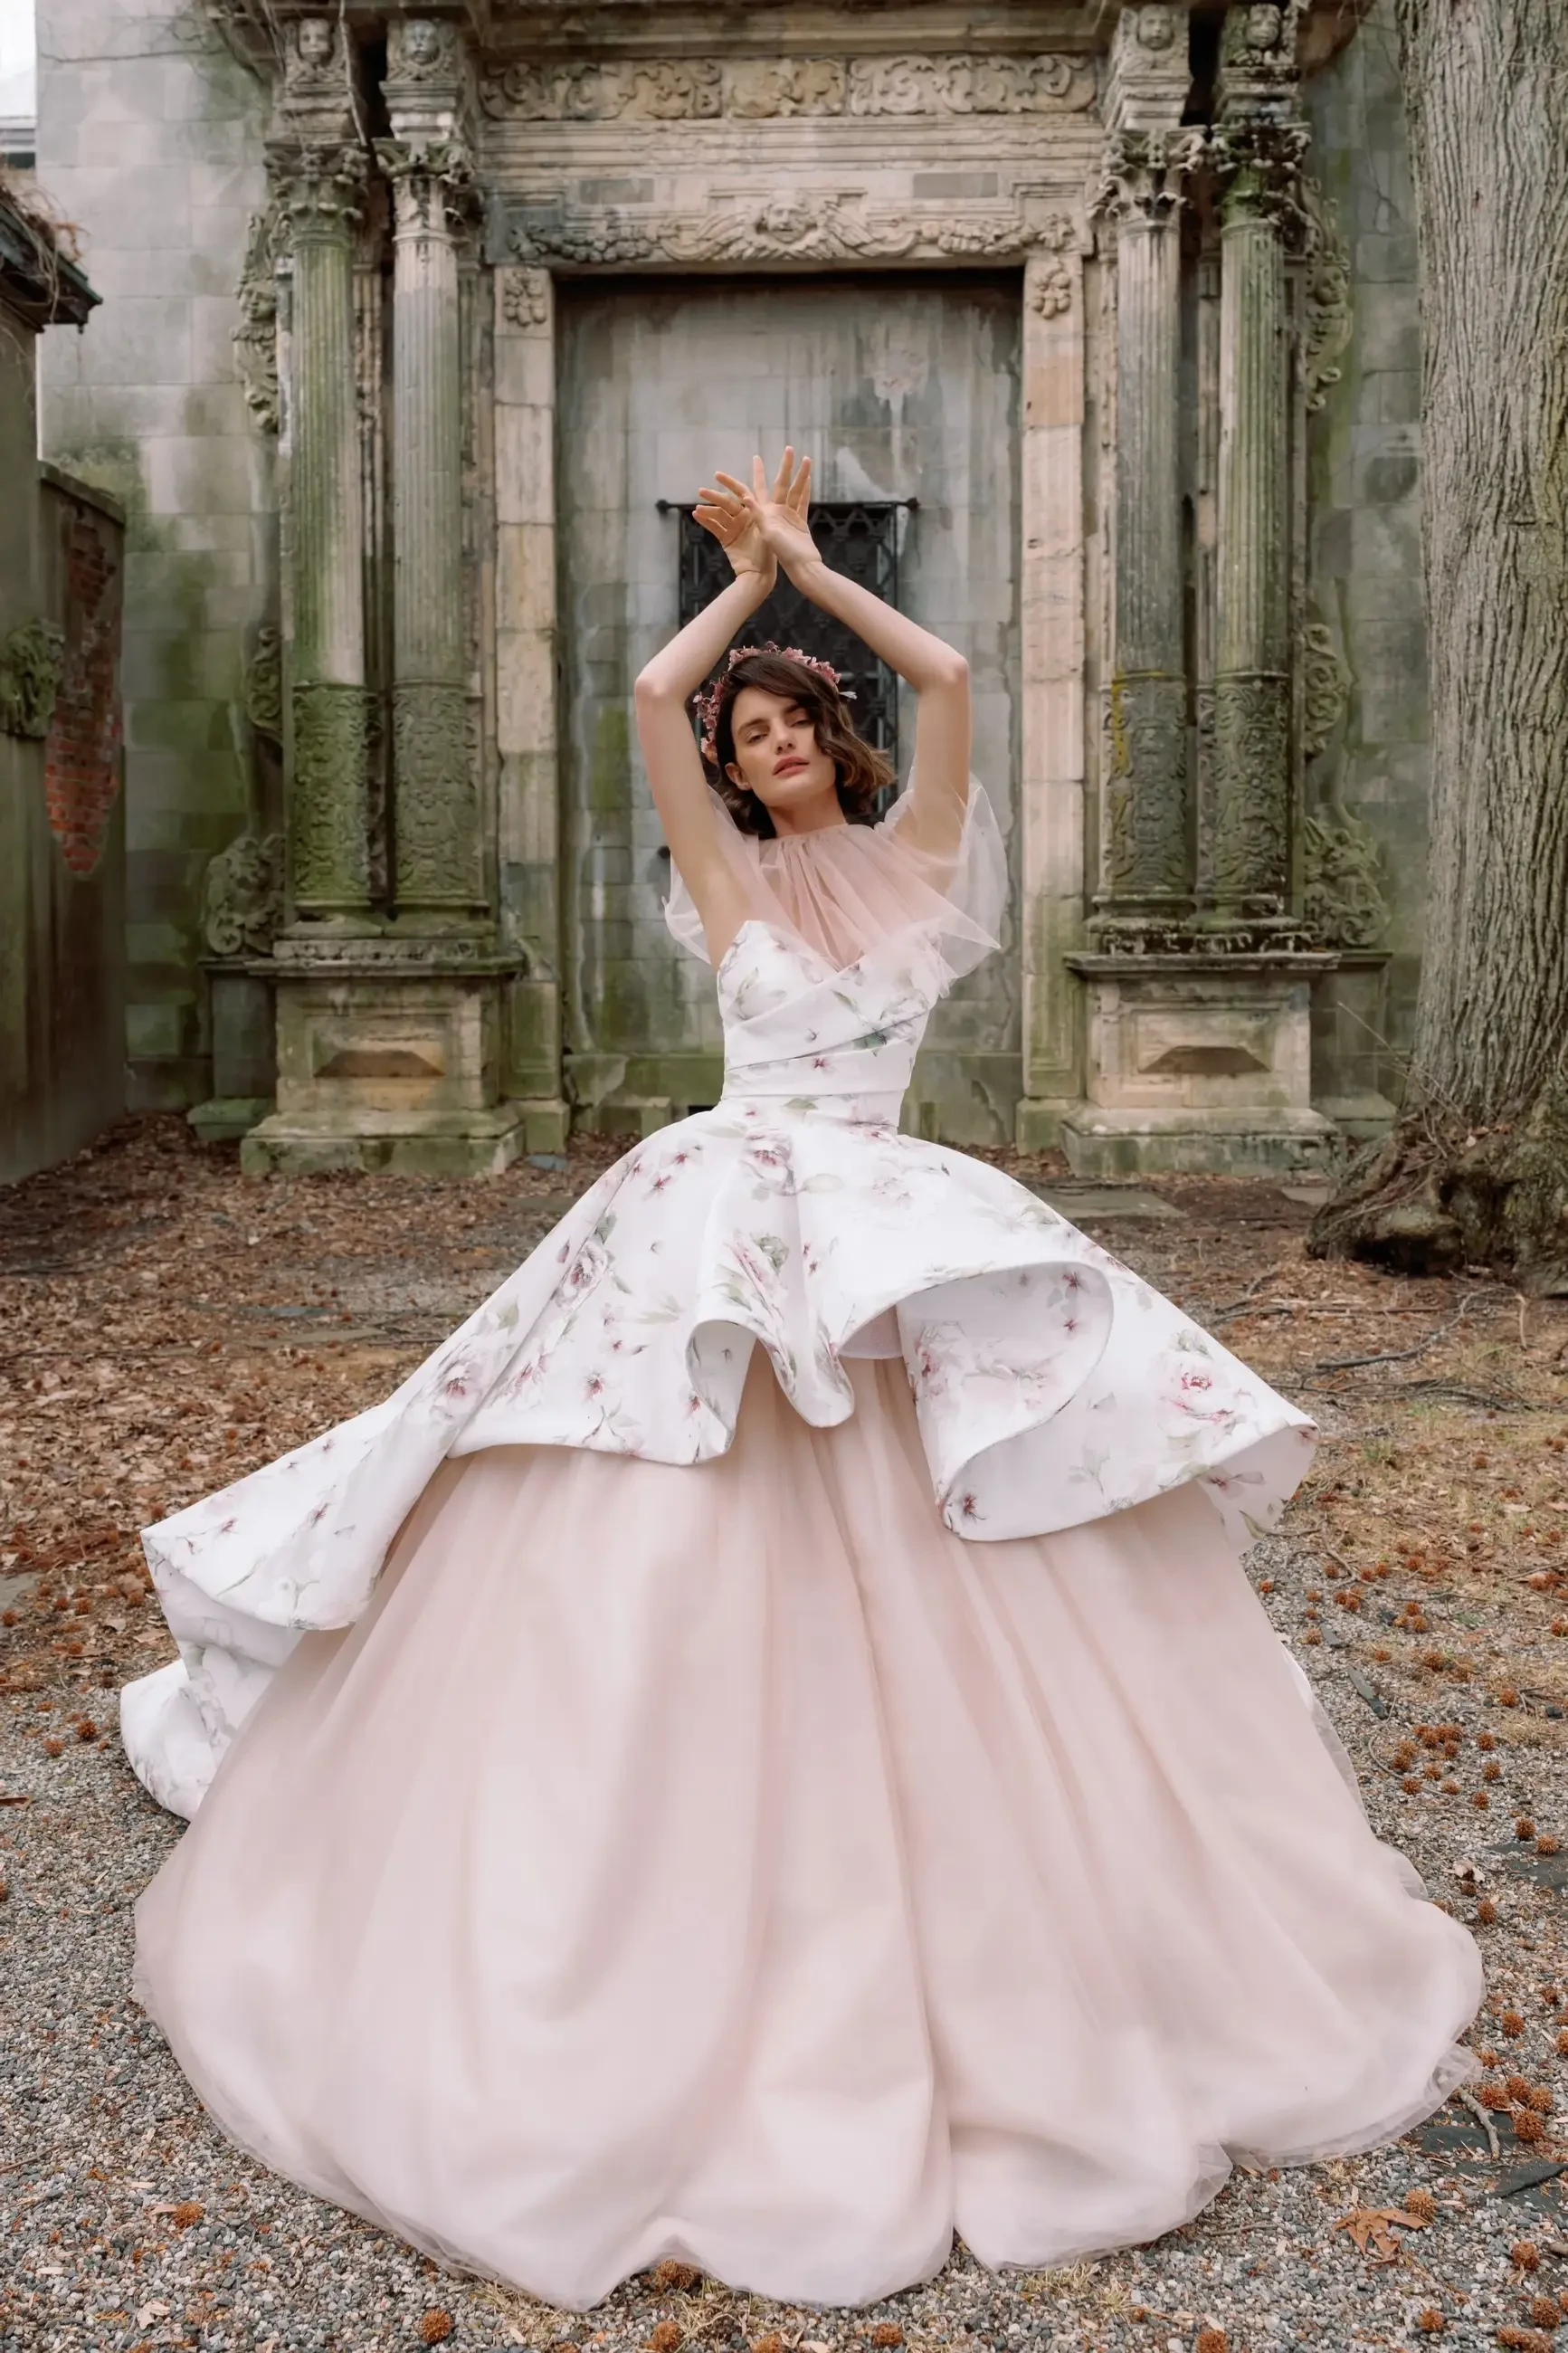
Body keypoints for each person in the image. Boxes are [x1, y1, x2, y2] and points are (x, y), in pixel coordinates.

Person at [125, 452, 1480, 2315]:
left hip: (882, 1217)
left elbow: (949, 684)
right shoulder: (726, 872)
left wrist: (808, 581)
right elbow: (637, 702)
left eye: (780, 726)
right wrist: (730, 595)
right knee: (638, 1496)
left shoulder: (912, 853)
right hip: (720, 1213)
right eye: (747, 725)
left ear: (826, 744)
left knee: (944, 1517)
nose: (757, 743)